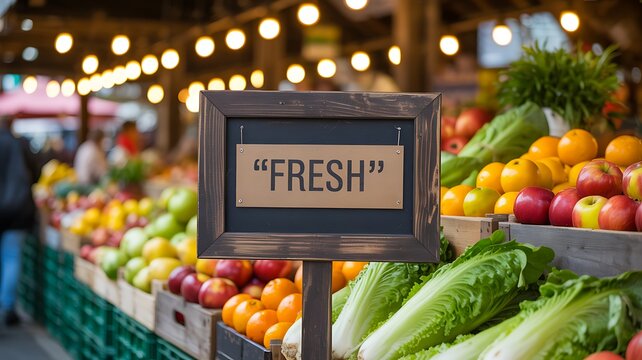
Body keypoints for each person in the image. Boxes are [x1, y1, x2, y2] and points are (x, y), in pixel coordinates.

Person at [0, 116, 39, 330]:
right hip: (17, 210)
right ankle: (8, 307)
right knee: (11, 257)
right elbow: (37, 173)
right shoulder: (20, 144)